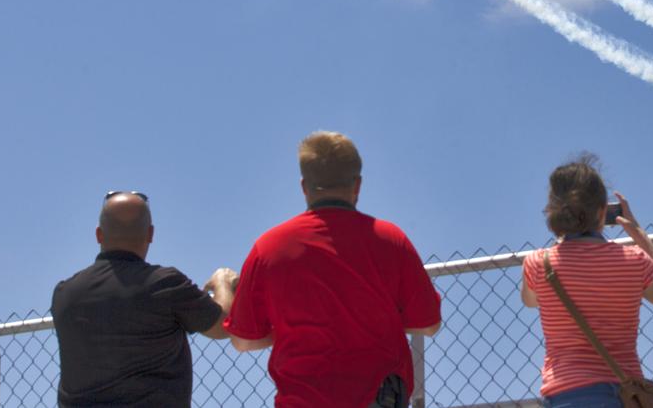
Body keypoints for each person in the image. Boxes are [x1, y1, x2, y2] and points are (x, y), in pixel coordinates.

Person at [225, 131, 442, 408]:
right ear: (357, 185)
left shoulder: (269, 248)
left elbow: (243, 340)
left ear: (304, 186)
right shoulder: (391, 240)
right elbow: (429, 324)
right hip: (378, 399)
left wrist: (292, 329)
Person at [521, 154, 653, 408]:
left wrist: (561, 241)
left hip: (565, 395)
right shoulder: (634, 259)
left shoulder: (539, 263)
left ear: (554, 211)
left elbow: (530, 301)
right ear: (603, 211)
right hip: (624, 395)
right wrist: (642, 238)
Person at [51, 191, 237, 407]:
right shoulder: (165, 284)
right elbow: (224, 325)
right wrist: (223, 281)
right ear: (150, 234)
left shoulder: (64, 294)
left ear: (98, 235)